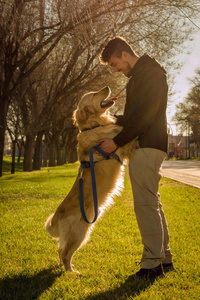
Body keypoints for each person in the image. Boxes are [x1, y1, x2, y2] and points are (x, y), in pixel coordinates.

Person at [98, 36, 174, 281]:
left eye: (114, 64)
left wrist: (116, 142)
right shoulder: (142, 75)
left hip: (148, 144)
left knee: (145, 205)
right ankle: (164, 259)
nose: (115, 69)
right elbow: (136, 116)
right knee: (152, 202)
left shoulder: (150, 74)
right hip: (147, 143)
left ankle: (152, 266)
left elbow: (145, 116)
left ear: (124, 54)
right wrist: (109, 115)